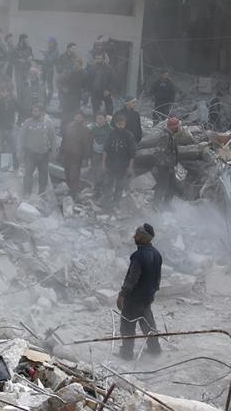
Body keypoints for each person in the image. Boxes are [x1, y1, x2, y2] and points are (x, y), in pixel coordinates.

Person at [117, 223, 162, 358]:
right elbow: (158, 277)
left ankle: (126, 354)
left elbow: (132, 279)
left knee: (127, 325)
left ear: (144, 238)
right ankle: (155, 349)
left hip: (134, 298)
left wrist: (122, 294)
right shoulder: (157, 254)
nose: (134, 236)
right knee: (148, 324)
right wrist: (153, 292)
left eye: (137, 234)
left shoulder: (138, 256)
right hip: (147, 297)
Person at [18, 104, 55, 196]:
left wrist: (53, 152)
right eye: (33, 111)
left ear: (41, 112)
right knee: (28, 173)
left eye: (36, 111)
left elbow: (53, 138)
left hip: (44, 154)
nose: (34, 113)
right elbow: (21, 138)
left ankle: (42, 193)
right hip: (30, 154)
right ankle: (27, 192)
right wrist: (19, 152)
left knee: (43, 174)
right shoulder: (27, 123)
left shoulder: (48, 123)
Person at [101, 114, 136, 208]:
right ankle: (107, 203)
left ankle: (116, 203)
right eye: (119, 124)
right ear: (115, 124)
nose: (120, 126)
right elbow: (105, 150)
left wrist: (130, 167)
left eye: (122, 124)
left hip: (123, 166)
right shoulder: (111, 134)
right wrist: (103, 164)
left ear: (125, 124)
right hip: (111, 164)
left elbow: (132, 154)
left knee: (119, 186)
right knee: (109, 184)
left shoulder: (129, 136)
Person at [61, 112, 93, 200]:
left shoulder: (85, 130)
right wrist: (61, 152)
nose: (77, 118)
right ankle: (69, 191)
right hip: (67, 155)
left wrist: (85, 158)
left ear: (83, 119)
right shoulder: (68, 126)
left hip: (77, 157)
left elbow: (87, 145)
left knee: (74, 175)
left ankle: (73, 193)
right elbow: (64, 140)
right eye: (76, 116)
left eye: (79, 117)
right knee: (67, 174)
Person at [153, 117, 180, 207]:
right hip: (164, 167)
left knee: (172, 186)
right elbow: (158, 152)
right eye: (177, 126)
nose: (178, 127)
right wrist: (166, 164)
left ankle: (166, 205)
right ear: (172, 126)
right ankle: (156, 205)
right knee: (162, 186)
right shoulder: (165, 136)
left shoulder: (170, 135)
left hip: (169, 166)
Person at [59, 58, 86, 126]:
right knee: (66, 112)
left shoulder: (84, 73)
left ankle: (74, 126)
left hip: (77, 96)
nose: (76, 65)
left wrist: (84, 95)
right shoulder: (71, 72)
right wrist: (63, 89)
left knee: (75, 112)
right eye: (75, 63)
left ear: (80, 64)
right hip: (68, 96)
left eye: (77, 63)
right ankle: (64, 126)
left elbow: (85, 85)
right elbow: (63, 81)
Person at [88, 111, 110, 188]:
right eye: (97, 119)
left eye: (100, 118)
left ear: (105, 119)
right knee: (94, 170)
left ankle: (101, 189)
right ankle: (95, 188)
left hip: (105, 155)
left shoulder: (110, 130)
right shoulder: (94, 128)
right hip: (95, 153)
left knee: (102, 172)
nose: (98, 120)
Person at [42, 38, 60, 105]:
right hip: (44, 68)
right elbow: (45, 60)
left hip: (50, 69)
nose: (49, 44)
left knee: (49, 85)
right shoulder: (49, 49)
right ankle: (42, 98)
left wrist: (45, 53)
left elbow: (50, 60)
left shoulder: (56, 51)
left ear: (54, 43)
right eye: (49, 42)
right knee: (42, 84)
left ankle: (48, 100)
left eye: (51, 42)